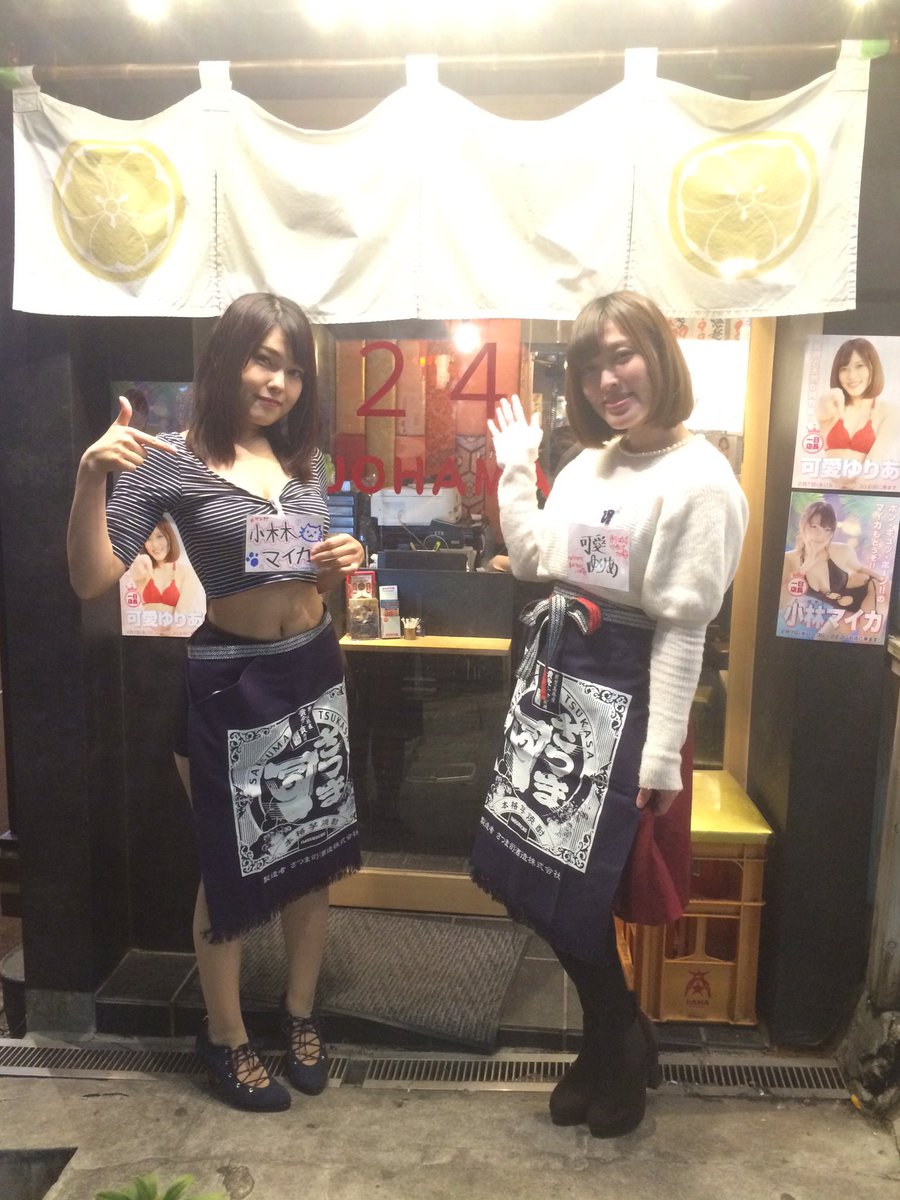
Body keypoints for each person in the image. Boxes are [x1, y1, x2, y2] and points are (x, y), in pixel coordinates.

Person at [67, 292, 365, 1113]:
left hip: (312, 666)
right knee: (229, 864)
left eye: (293, 371)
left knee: (312, 856)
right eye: (264, 360)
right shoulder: (169, 460)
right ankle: (227, 1036)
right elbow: (91, 577)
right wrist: (90, 477)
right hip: (233, 678)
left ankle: (300, 1016)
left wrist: (333, 565)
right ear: (226, 358)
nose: (278, 383)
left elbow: (304, 579)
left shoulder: (304, 462)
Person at [469, 291, 748, 1138]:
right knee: (529, 876)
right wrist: (517, 468)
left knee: (584, 894)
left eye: (622, 355)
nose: (606, 380)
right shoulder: (588, 467)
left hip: (632, 705)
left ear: (660, 354)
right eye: (590, 366)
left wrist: (661, 759)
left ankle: (612, 1045)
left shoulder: (702, 481)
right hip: (558, 691)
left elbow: (683, 630)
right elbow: (533, 559)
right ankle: (618, 1032)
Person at [816, 338, 898, 485]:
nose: (851, 376)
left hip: (861, 491)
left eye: (859, 366)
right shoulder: (832, 405)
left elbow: (874, 462)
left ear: (873, 368)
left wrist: (854, 493)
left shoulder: (889, 412)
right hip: (824, 489)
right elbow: (821, 411)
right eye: (844, 368)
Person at [781, 500, 881, 614]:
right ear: (803, 526)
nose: (820, 535)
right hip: (839, 615)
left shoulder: (842, 550)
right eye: (814, 527)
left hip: (866, 599)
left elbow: (860, 569)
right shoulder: (789, 559)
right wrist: (804, 568)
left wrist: (884, 582)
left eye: (827, 529)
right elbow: (782, 603)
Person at [124, 519, 202, 635]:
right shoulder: (142, 571)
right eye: (148, 539)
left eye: (159, 536)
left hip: (173, 639)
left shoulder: (186, 572)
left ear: (169, 537)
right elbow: (131, 612)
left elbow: (183, 617)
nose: (155, 545)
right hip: (143, 637)